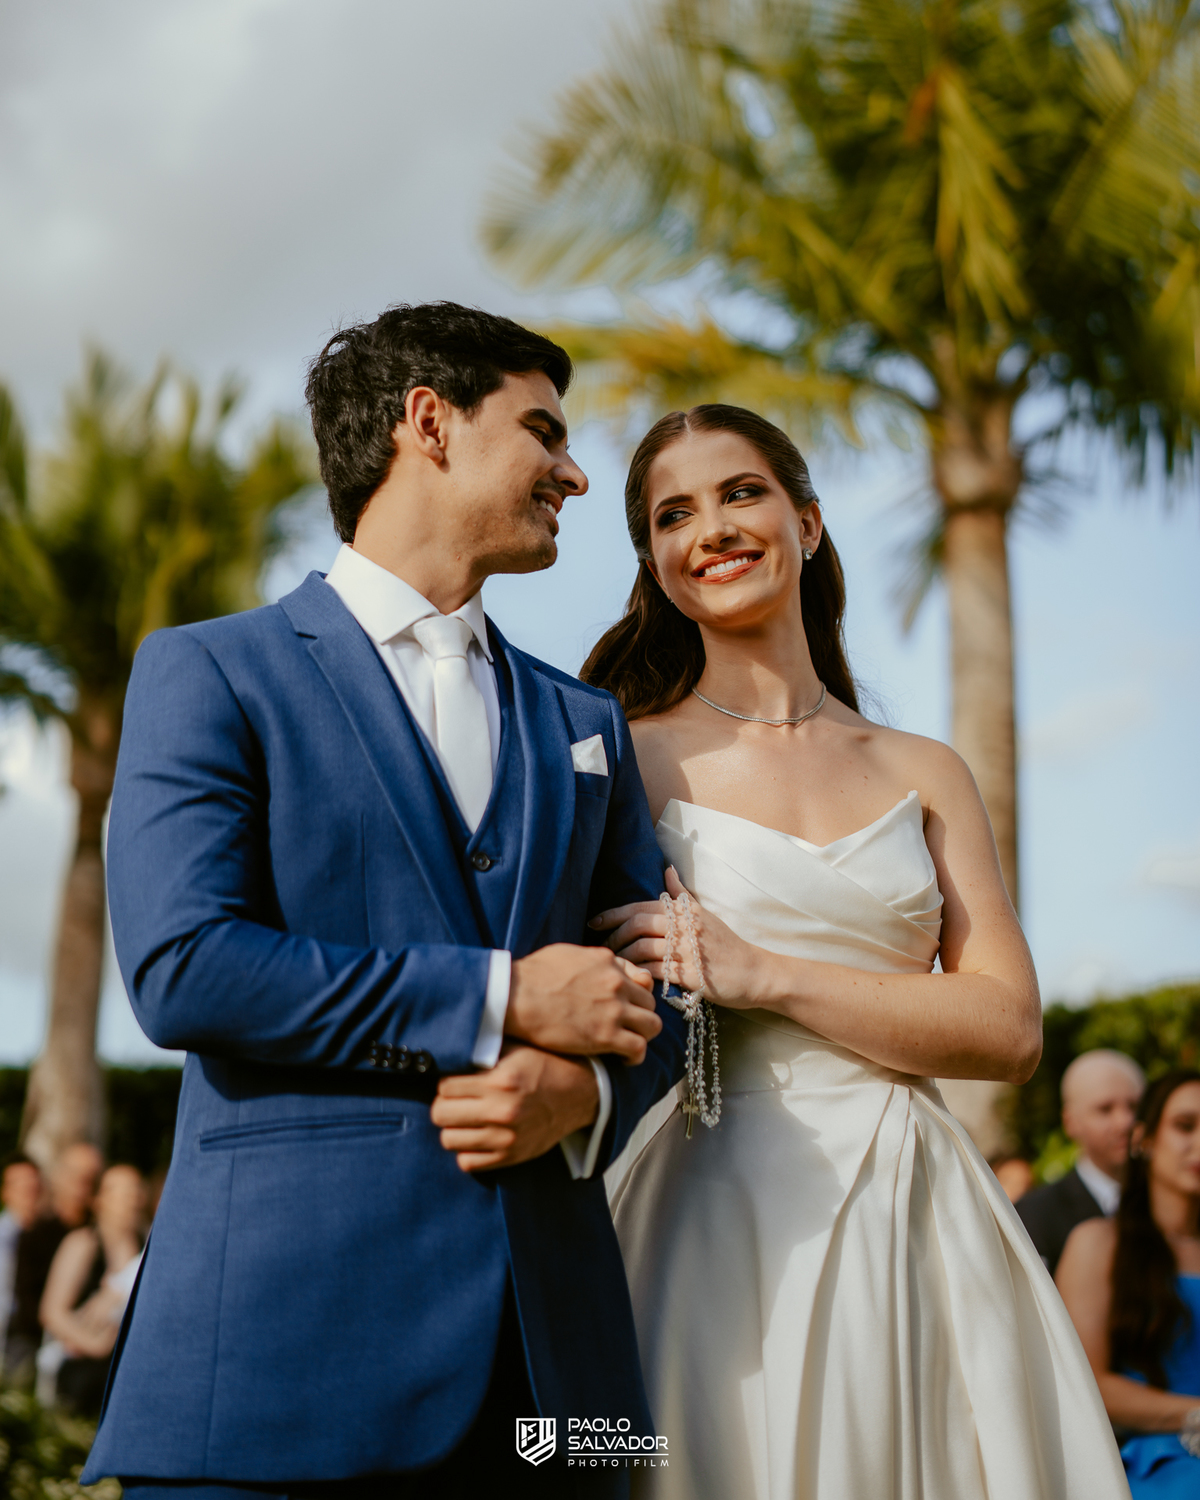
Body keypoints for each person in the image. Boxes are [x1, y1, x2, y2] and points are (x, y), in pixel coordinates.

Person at [81, 302, 685, 1498]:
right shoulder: (209, 670)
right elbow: (186, 967)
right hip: (279, 1365)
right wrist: (506, 992)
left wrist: (587, 1089)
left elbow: (665, 986)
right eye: (543, 431)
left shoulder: (587, 723)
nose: (573, 471)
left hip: (559, 1394)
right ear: (429, 424)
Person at [585, 404, 1128, 1499]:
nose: (713, 529)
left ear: (808, 522)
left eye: (742, 493)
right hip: (708, 1212)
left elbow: (1008, 1029)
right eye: (673, 514)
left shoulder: (923, 768)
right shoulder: (616, 758)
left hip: (916, 1215)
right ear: (655, 563)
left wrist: (764, 973)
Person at [1057, 1069, 1200, 1496]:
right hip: (1152, 1461)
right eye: (1184, 1125)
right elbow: (1084, 1382)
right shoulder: (1098, 1243)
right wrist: (1193, 1413)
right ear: (1145, 1140)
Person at [1019, 1049, 1145, 1273]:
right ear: (1070, 1123)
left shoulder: (1174, 1202)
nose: (1125, 1122)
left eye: (1134, 1107)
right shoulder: (1034, 1216)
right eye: (1105, 1109)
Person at [38, 1163, 146, 1415]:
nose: (132, 1200)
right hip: (85, 1366)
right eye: (122, 1192)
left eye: (135, 1191)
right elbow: (52, 1312)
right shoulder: (82, 1243)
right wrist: (95, 1344)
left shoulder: (149, 1246)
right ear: (99, 1200)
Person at [4, 1140, 102, 1386]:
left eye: (90, 1178)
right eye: (75, 1175)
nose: (81, 1185)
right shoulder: (34, 1234)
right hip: (39, 1341)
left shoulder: (100, 1236)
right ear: (58, 1176)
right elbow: (26, 1305)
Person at [0, 1154, 42, 1368]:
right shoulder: (4, 1237)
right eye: (21, 1187)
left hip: (32, 1338)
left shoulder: (49, 1237)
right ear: (5, 1192)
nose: (29, 1193)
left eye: (33, 1186)